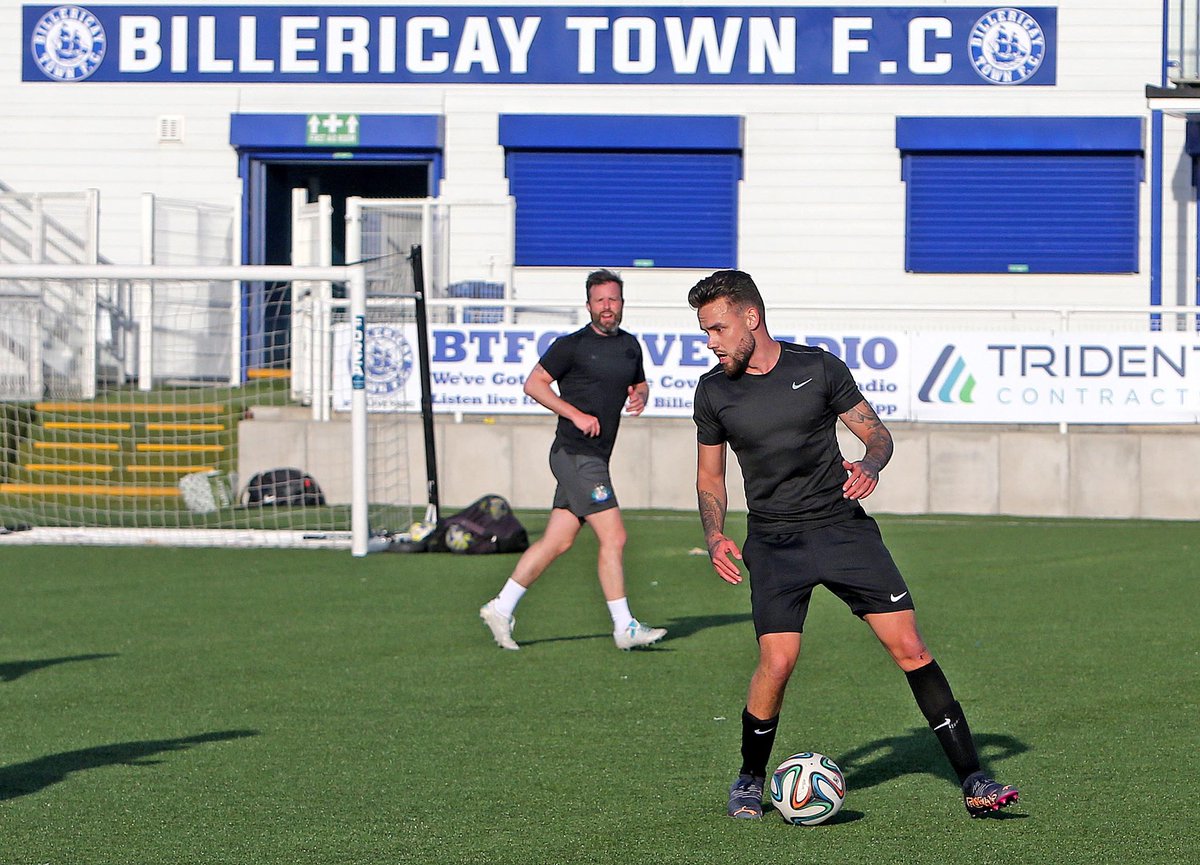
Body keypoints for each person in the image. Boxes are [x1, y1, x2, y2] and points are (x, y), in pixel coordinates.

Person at [688, 270, 1018, 819]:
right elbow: (709, 477)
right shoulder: (713, 391)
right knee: (778, 660)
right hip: (773, 540)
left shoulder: (817, 368)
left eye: (718, 328)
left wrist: (869, 464)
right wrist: (715, 533)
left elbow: (877, 435)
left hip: (842, 530)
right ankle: (749, 778)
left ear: (752, 317)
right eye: (706, 332)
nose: (711, 341)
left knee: (910, 647)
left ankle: (975, 777)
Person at [479, 269, 667, 652]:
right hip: (575, 454)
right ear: (589, 305)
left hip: (595, 456)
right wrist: (574, 414)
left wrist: (642, 393)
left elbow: (637, 381)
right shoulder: (571, 346)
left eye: (613, 299)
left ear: (622, 303)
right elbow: (534, 384)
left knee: (557, 541)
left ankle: (501, 607)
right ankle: (624, 626)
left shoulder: (630, 346)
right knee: (614, 536)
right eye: (600, 301)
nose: (607, 307)